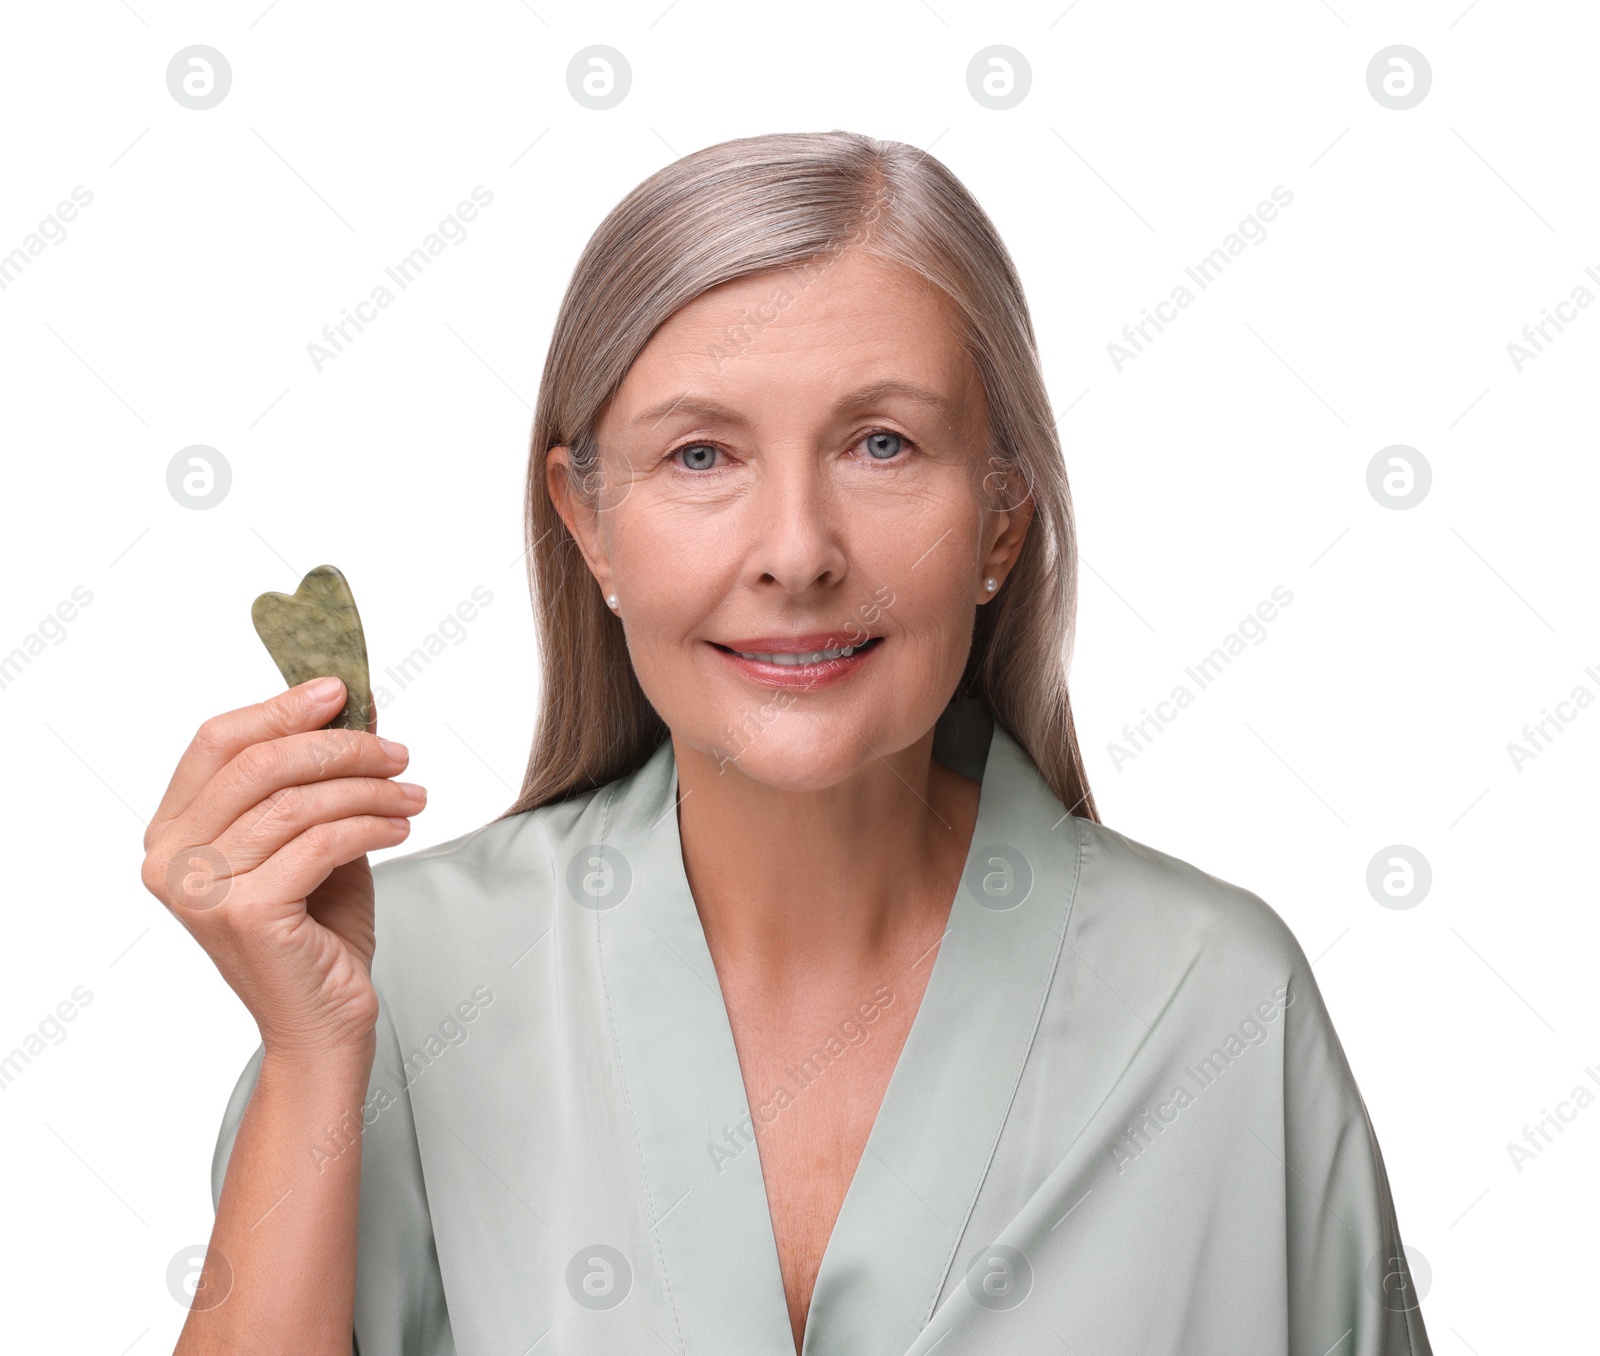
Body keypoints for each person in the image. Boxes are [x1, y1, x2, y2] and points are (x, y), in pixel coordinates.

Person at [143, 130, 1432, 1356]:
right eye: (701, 455)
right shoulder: (395, 987)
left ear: (1000, 518)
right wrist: (314, 1058)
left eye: (883, 444)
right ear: (586, 522)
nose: (798, 552)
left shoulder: (1215, 1004)